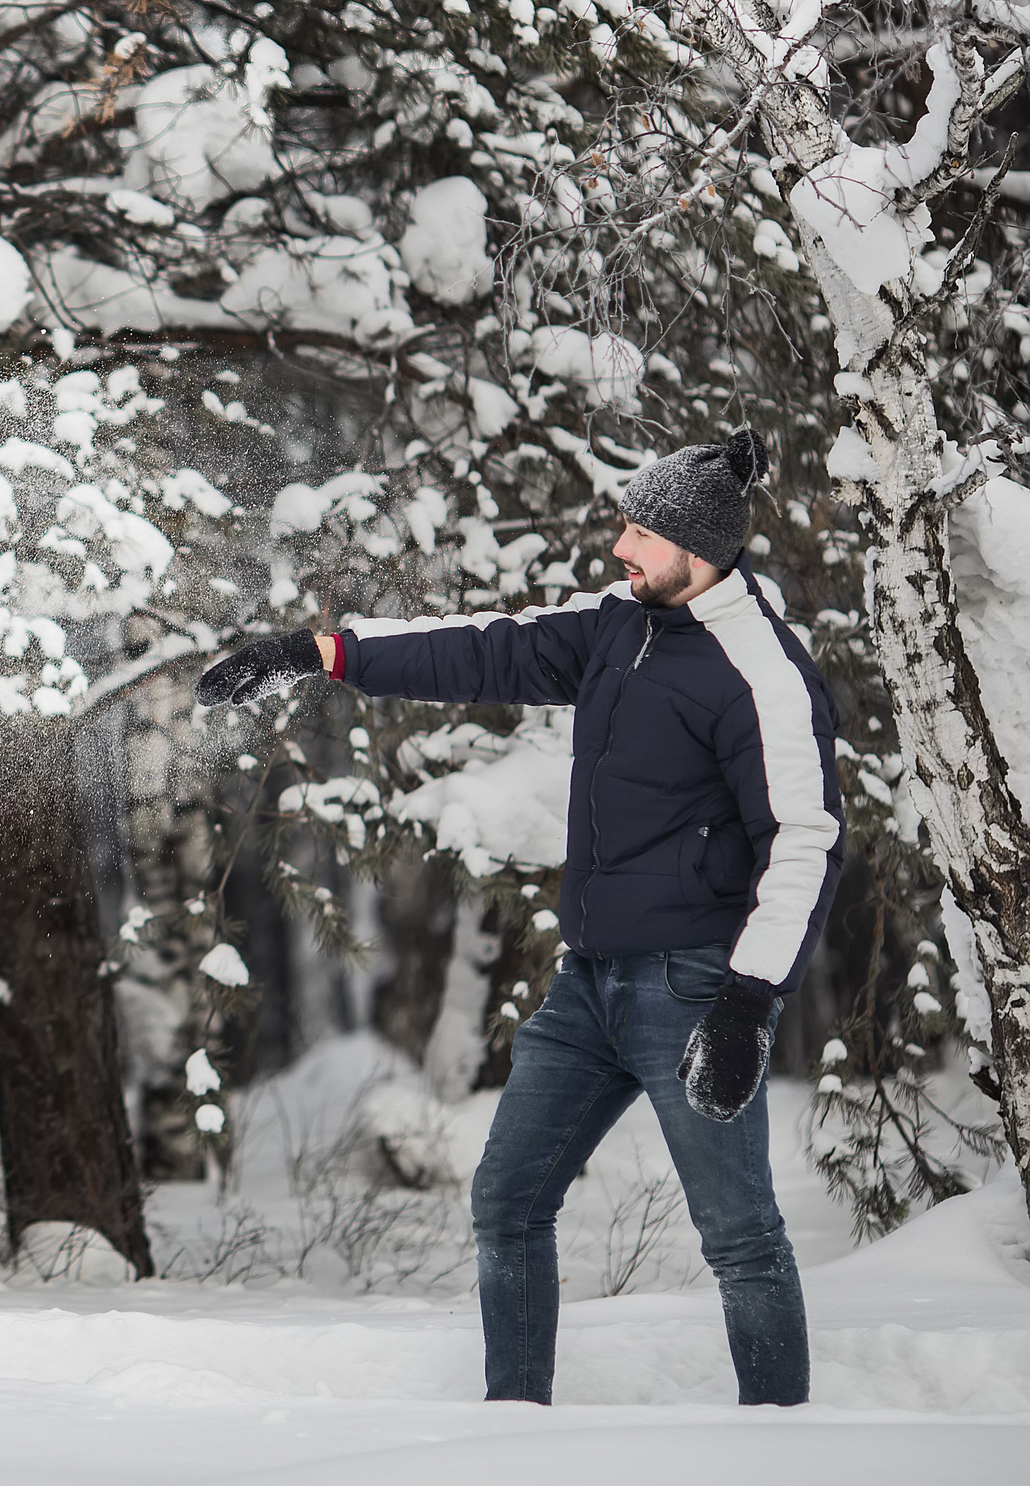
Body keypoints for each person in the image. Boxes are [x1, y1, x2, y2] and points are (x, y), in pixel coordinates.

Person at [196, 429, 842, 1406]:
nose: (621, 549)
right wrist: (318, 652)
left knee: (739, 1234)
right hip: (589, 985)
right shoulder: (619, 623)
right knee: (507, 1202)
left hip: (693, 987)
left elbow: (804, 841)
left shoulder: (761, 674)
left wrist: (749, 1002)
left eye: (641, 533)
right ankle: (517, 1435)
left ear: (698, 550)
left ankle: (781, 1450)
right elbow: (482, 651)